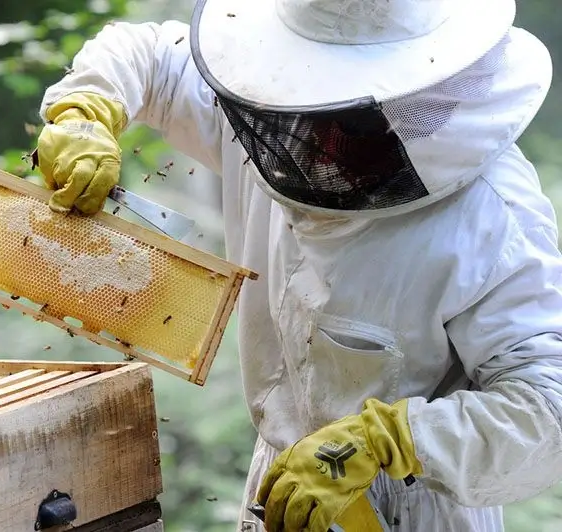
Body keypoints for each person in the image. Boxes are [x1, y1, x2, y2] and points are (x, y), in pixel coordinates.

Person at [33, 0, 562, 530]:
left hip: (416, 505)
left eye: (339, 116)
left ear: (408, 103)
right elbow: (148, 54)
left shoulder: (495, 219)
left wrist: (387, 441)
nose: (318, 141)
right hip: (279, 487)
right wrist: (86, 108)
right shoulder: (276, 110)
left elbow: (546, 406)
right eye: (308, 102)